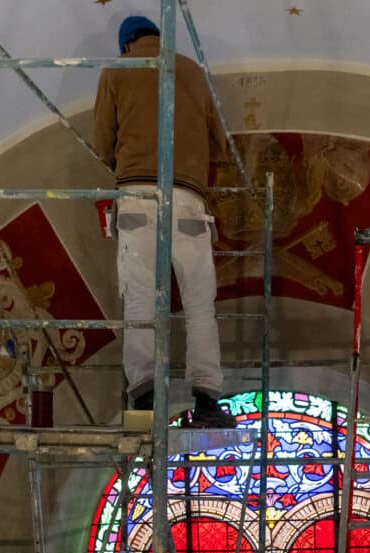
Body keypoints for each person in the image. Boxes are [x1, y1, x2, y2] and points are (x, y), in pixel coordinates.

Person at [94, 15, 235, 429]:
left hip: (137, 199)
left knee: (140, 300)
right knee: (199, 304)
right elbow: (220, 146)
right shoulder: (192, 71)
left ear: (127, 45)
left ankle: (144, 403)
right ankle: (206, 401)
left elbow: (102, 143)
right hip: (188, 200)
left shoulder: (118, 69)